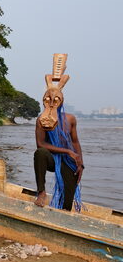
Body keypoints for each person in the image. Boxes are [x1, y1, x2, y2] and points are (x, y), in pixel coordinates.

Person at [34, 53, 83, 211]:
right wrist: (67, 150)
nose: (52, 102)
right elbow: (41, 144)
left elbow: (75, 142)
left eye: (56, 99)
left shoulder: (70, 119)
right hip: (52, 159)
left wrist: (80, 163)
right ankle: (41, 192)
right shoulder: (42, 120)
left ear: (61, 100)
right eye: (48, 99)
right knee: (40, 153)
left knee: (66, 205)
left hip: (67, 162)